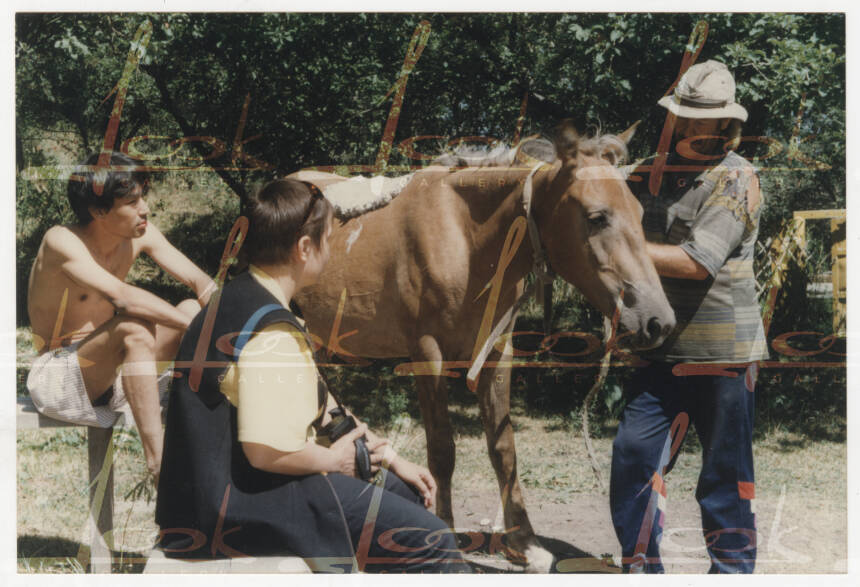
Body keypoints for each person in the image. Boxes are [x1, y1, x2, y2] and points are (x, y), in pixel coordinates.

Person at [155, 178, 472, 573]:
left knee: (403, 490)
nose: (332, 247)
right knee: (434, 541)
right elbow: (267, 451)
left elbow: (326, 408)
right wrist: (332, 460)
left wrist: (391, 457)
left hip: (216, 491)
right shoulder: (271, 332)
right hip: (235, 506)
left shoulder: (242, 298)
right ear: (304, 249)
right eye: (328, 238)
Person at [610, 60, 768, 573]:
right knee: (633, 462)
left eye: (713, 118)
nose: (704, 127)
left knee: (725, 480)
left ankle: (732, 574)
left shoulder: (739, 179)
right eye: (692, 115)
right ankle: (643, 570)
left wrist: (617, 244)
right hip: (659, 352)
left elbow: (697, 263)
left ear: (729, 123)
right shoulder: (644, 175)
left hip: (724, 356)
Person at [26, 151, 215, 480]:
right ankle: (160, 468)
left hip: (118, 371)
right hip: (61, 376)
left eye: (142, 197)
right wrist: (203, 326)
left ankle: (200, 430)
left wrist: (246, 321)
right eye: (131, 203)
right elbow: (123, 298)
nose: (145, 209)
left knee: (192, 307)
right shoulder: (61, 241)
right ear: (98, 211)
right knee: (136, 327)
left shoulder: (142, 232)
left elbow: (201, 283)